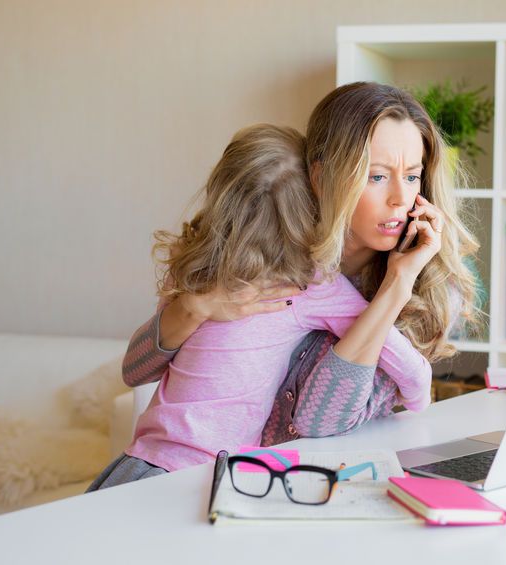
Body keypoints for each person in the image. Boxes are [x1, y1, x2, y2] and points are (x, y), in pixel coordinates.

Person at [93, 82, 481, 490]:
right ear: (320, 177)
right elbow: (133, 371)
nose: (401, 199)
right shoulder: (241, 258)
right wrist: (195, 307)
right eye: (377, 176)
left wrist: (398, 284)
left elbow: (319, 421)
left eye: (414, 176)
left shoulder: (420, 291)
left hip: (277, 488)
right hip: (166, 470)